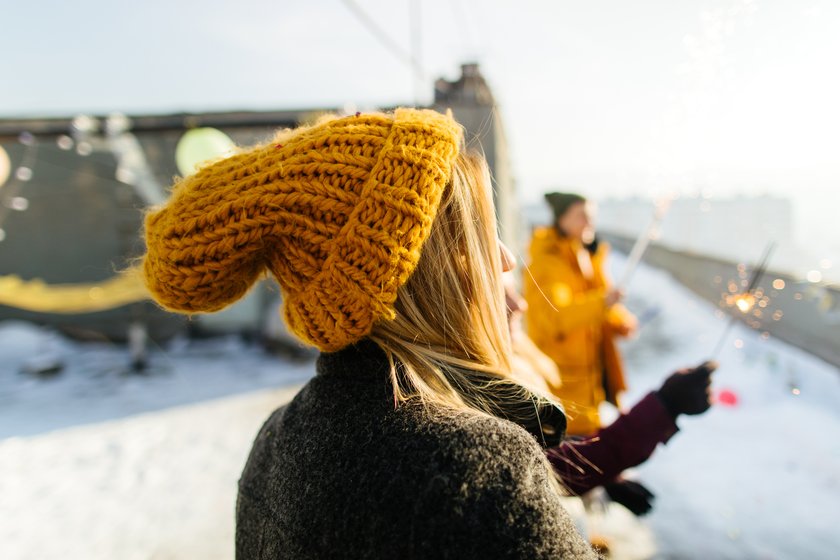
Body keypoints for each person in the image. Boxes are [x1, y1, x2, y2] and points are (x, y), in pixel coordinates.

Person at [141, 109, 598, 559]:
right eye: (477, 236)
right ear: (421, 273)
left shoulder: (275, 441)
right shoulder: (478, 467)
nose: (503, 260)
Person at [507, 274, 715, 515]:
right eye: (501, 291)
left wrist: (607, 475)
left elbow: (551, 454)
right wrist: (665, 406)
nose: (520, 304)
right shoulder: (489, 383)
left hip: (581, 418)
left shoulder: (521, 357)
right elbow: (544, 470)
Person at [523, 192, 638, 437]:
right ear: (561, 219)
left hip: (590, 385)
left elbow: (597, 302)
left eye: (592, 217)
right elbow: (556, 317)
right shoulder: (547, 261)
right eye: (582, 216)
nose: (590, 223)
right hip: (562, 387)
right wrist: (603, 301)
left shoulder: (584, 255)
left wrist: (620, 321)